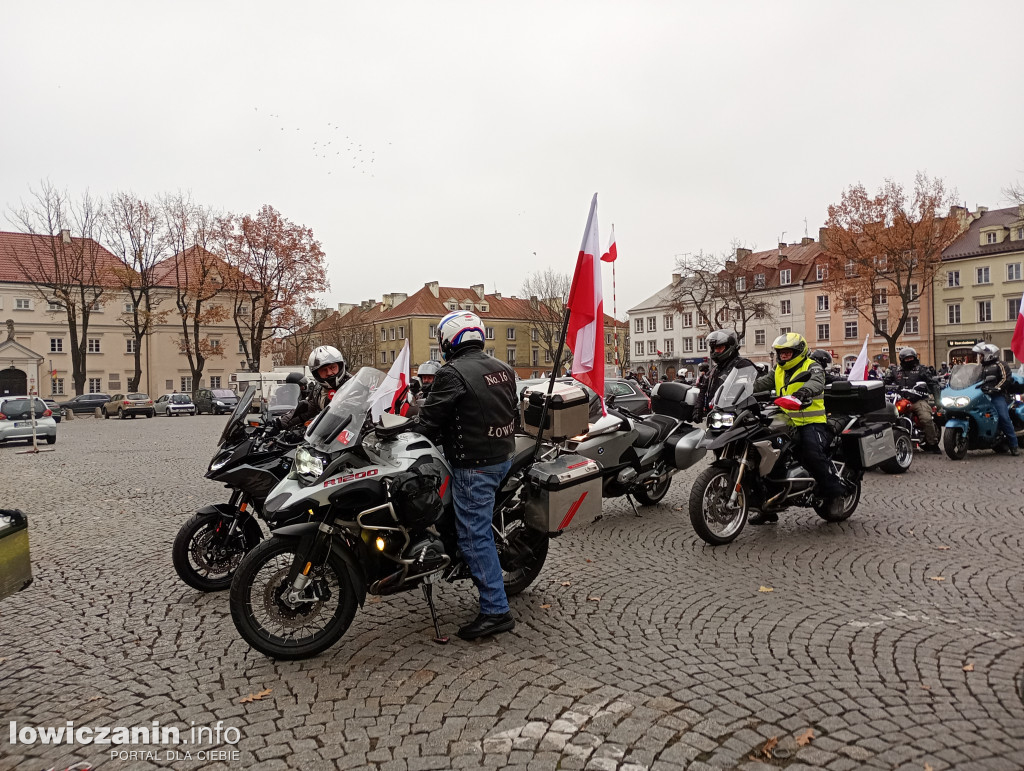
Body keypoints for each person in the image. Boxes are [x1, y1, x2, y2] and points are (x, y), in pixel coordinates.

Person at [415, 310, 519, 640]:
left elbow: (428, 422)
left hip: (475, 465)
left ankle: (496, 610)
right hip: (502, 456)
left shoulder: (451, 373)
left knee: (473, 535)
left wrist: (403, 430)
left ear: (448, 341)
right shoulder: (504, 368)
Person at [750, 333, 848, 524]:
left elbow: (817, 381)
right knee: (763, 455)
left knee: (812, 454)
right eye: (781, 353)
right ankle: (767, 506)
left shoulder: (812, 366)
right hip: (785, 420)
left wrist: (803, 391)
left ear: (799, 352)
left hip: (811, 422)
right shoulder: (778, 370)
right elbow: (760, 384)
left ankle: (836, 494)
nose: (784, 357)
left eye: (788, 353)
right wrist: (742, 389)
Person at [884, 347, 940, 453]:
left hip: (918, 400)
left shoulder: (922, 369)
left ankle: (933, 443)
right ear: (902, 359)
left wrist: (937, 400)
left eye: (911, 358)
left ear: (915, 358)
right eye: (907, 358)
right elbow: (885, 381)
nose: (909, 360)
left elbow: (932, 383)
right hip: (900, 400)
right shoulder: (895, 371)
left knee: (926, 418)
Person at [696, 329, 753, 421]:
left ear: (729, 347)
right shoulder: (715, 369)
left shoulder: (743, 365)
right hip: (715, 416)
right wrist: (698, 408)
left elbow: (752, 389)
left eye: (719, 348)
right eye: (714, 348)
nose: (716, 351)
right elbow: (703, 389)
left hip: (736, 415)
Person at [974, 342, 1020, 456]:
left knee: (1004, 417)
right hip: (982, 395)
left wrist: (997, 388)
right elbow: (972, 380)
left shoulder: (1001, 365)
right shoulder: (980, 367)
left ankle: (1014, 445)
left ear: (989, 354)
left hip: (997, 395)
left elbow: (1006, 378)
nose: (980, 357)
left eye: (981, 355)